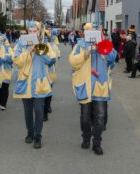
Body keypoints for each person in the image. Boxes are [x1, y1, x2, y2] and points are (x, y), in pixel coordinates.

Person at [69, 23, 117, 155]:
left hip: (99, 86)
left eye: (95, 31)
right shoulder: (80, 45)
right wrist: (86, 53)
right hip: (85, 85)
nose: (93, 33)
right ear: (85, 33)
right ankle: (86, 138)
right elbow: (72, 62)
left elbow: (113, 59)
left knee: (100, 116)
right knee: (85, 117)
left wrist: (103, 46)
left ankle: (97, 143)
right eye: (90, 31)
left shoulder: (104, 42)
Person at [13, 21, 56, 149]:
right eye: (30, 31)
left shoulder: (45, 44)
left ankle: (38, 136)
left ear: (38, 32)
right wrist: (29, 52)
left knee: (38, 111)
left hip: (39, 83)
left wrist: (40, 50)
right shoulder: (20, 43)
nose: (32, 33)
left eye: (34, 31)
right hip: (25, 83)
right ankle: (30, 133)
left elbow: (51, 59)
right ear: (27, 32)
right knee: (27, 112)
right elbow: (17, 62)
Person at [43, 27, 61, 121]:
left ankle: (46, 108)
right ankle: (42, 110)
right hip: (39, 73)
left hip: (49, 72)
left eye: (46, 36)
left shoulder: (52, 46)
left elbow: (57, 56)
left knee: (48, 90)